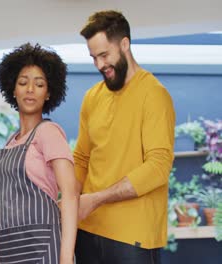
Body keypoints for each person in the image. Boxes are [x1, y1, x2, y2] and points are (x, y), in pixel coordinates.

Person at [73, 10, 176, 263]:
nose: (99, 65)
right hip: (87, 231)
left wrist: (96, 199)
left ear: (125, 44)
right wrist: (71, 202)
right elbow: (81, 159)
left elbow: (158, 167)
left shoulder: (153, 94)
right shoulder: (92, 98)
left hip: (132, 236)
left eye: (104, 55)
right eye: (94, 57)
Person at [0, 43, 80, 264]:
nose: (30, 89)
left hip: (43, 249)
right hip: (9, 251)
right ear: (13, 88)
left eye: (39, 84)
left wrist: (66, 258)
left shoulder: (48, 132)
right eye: (23, 82)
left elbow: (70, 195)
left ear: (49, 93)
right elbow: (6, 209)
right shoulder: (10, 141)